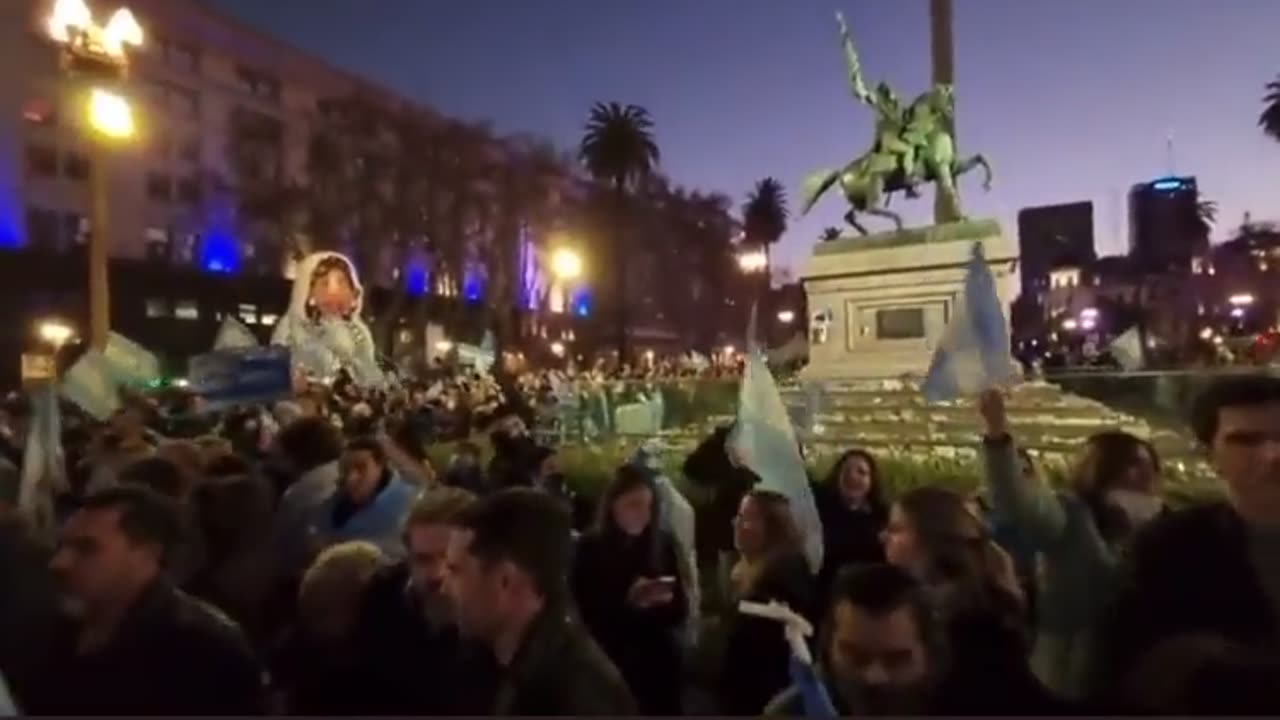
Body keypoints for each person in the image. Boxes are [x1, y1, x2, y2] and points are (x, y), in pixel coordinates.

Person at [1099, 375, 1280, 706]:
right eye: (1247, 441)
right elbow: (1139, 677)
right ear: (1210, 456)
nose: (1273, 455)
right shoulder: (1168, 550)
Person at [978, 388, 1164, 699]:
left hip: (1143, 666)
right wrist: (997, 435)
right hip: (1074, 670)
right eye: (1133, 463)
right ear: (1100, 467)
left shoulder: (1168, 522)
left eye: (1150, 464)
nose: (1144, 474)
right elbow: (1016, 501)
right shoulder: (1073, 515)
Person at [22, 486, 265, 714]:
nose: (59, 563)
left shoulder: (204, 650)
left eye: (86, 548)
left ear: (148, 553)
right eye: (61, 546)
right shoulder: (58, 626)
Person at [444, 488, 635, 715]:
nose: (444, 587)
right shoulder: (505, 666)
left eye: (456, 571)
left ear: (505, 581)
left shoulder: (574, 695)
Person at [882, 485, 1061, 713]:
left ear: (932, 536)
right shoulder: (957, 603)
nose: (883, 536)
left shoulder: (974, 623)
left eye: (896, 529)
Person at [359, 486, 493, 714]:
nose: (437, 573)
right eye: (423, 559)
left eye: (450, 559)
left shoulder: (494, 632)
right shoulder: (383, 596)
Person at [572, 465, 687, 714]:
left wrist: (660, 600)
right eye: (633, 505)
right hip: (610, 658)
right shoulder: (590, 548)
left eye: (649, 507)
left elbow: (680, 610)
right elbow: (584, 613)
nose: (643, 515)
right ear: (613, 504)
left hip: (657, 658)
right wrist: (628, 603)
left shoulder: (662, 544)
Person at [766, 564, 947, 716]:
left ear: (931, 655)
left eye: (896, 660)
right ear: (828, 648)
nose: (873, 677)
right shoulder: (791, 712)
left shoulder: (965, 704)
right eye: (856, 657)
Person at [718, 489, 816, 715]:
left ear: (773, 530)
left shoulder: (777, 586)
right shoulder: (751, 570)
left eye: (746, 518)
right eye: (738, 516)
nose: (737, 523)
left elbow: (753, 661)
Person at [308, 436, 418, 562]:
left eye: (361, 468)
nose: (351, 478)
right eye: (345, 469)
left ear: (380, 466)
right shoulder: (329, 505)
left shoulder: (408, 508)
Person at [814, 449, 888, 602]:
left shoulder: (883, 518)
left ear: (872, 480)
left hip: (865, 597)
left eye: (862, 472)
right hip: (823, 593)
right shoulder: (819, 508)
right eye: (846, 470)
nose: (853, 476)